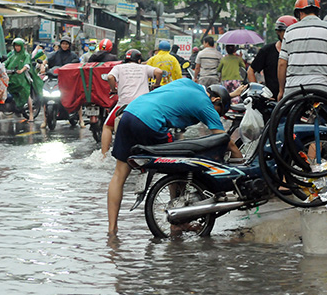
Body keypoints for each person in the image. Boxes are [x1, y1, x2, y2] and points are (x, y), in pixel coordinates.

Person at [107, 79, 244, 235]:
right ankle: (178, 222)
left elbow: (188, 99)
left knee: (119, 175)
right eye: (218, 112)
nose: (215, 116)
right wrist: (242, 165)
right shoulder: (206, 104)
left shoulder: (188, 84)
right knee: (178, 166)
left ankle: (112, 230)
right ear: (215, 100)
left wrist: (230, 95)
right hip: (151, 121)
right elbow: (227, 142)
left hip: (129, 114)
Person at [278, 0, 327, 100]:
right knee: (325, 114)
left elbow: (282, 64)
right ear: (318, 12)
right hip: (321, 89)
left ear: (299, 13)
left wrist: (281, 91)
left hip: (293, 90)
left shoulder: (290, 31)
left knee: (289, 115)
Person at [101, 49, 163, 157]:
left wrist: (113, 89)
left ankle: (103, 155)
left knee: (107, 127)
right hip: (143, 105)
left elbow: (110, 77)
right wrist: (156, 85)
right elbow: (159, 72)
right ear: (139, 60)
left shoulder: (119, 67)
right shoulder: (144, 68)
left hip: (124, 104)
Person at [248, 15, 297, 98]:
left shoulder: (298, 52)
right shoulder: (267, 51)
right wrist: (257, 94)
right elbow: (251, 71)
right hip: (272, 101)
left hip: (294, 98)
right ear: (278, 32)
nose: (287, 35)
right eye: (285, 31)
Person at [42, 37, 84, 128]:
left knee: (77, 96)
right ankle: (45, 120)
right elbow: (46, 61)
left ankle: (81, 119)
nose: (64, 45)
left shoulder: (73, 56)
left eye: (66, 44)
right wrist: (43, 65)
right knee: (45, 98)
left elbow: (78, 65)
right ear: (60, 44)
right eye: (63, 43)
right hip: (54, 79)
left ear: (69, 45)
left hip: (69, 80)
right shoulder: (54, 54)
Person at [4, 38, 43, 123]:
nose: (17, 47)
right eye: (15, 46)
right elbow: (6, 62)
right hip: (12, 77)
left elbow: (27, 64)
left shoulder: (26, 55)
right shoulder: (12, 55)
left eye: (18, 46)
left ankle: (31, 114)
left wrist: (22, 70)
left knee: (26, 93)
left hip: (23, 78)